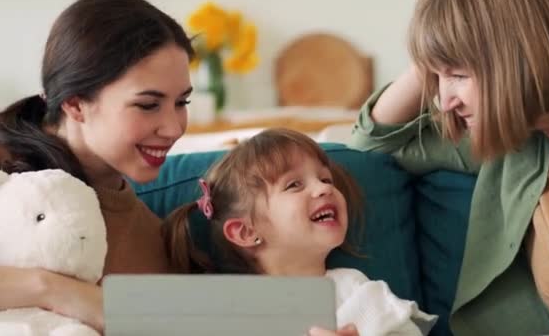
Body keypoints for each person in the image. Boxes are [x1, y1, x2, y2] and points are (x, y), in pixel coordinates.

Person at [349, 0, 549, 335]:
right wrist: (430, 49)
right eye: (436, 76)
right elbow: (370, 145)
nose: (445, 99)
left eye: (457, 73)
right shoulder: (518, 143)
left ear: (521, 55)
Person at [0, 0, 194, 331]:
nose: (174, 128)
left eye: (181, 102)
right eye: (148, 104)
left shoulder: (151, 242)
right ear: (75, 105)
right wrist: (53, 290)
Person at [164, 128, 436, 336]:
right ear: (246, 231)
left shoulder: (354, 290)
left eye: (325, 179)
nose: (324, 188)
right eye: (294, 184)